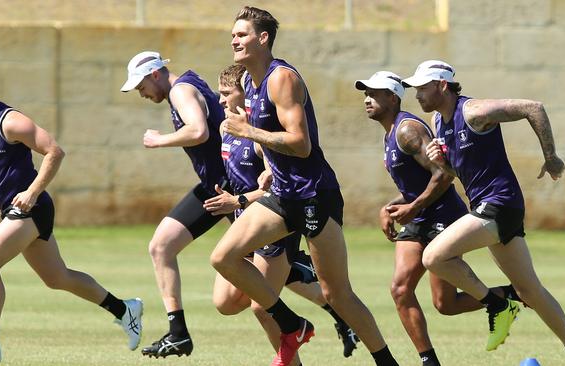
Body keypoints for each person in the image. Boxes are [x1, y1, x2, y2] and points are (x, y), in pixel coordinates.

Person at [210, 7, 399, 366]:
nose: (234, 40)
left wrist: (247, 131)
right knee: (223, 257)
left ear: (263, 38)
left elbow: (301, 144)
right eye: (232, 34)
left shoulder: (282, 78)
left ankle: (386, 362)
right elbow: (271, 139)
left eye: (242, 34)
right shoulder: (249, 82)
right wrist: (265, 167)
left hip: (314, 196)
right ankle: (291, 323)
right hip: (282, 195)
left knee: (338, 295)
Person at [0, 60, 143, 365]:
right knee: (57, 278)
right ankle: (125, 309)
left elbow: (54, 151)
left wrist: (32, 191)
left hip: (31, 207)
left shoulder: (11, 122)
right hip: (13, 210)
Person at [401, 59, 565, 363]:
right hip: (489, 207)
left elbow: (532, 107)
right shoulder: (438, 123)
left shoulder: (473, 111)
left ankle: (497, 304)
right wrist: (440, 161)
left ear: (442, 85)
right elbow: (457, 172)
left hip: (500, 203)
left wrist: (551, 157)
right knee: (530, 289)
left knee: (432, 257)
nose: (417, 95)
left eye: (422, 88)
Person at [356, 71, 522, 365]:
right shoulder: (389, 132)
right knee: (418, 295)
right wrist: (391, 206)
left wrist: (413, 208)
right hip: (420, 217)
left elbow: (443, 175)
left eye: (375, 93)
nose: (368, 99)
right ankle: (431, 359)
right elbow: (415, 187)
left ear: (392, 98)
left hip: (442, 216)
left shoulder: (407, 131)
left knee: (433, 299)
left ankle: (505, 299)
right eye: (366, 93)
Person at [207, 64, 360, 363]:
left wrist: (239, 200)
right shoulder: (227, 129)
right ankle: (299, 274)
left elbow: (277, 188)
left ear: (246, 94)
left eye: (227, 94)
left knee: (261, 306)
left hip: (273, 224)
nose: (222, 101)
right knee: (225, 302)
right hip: (246, 222)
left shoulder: (261, 134)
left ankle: (300, 324)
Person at [120, 51, 230, 358]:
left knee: (268, 272)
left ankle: (335, 309)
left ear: (155, 74)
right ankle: (178, 333)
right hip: (214, 187)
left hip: (232, 188)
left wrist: (159, 140)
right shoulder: (185, 87)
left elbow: (198, 131)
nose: (141, 94)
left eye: (141, 86)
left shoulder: (181, 90)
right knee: (161, 246)